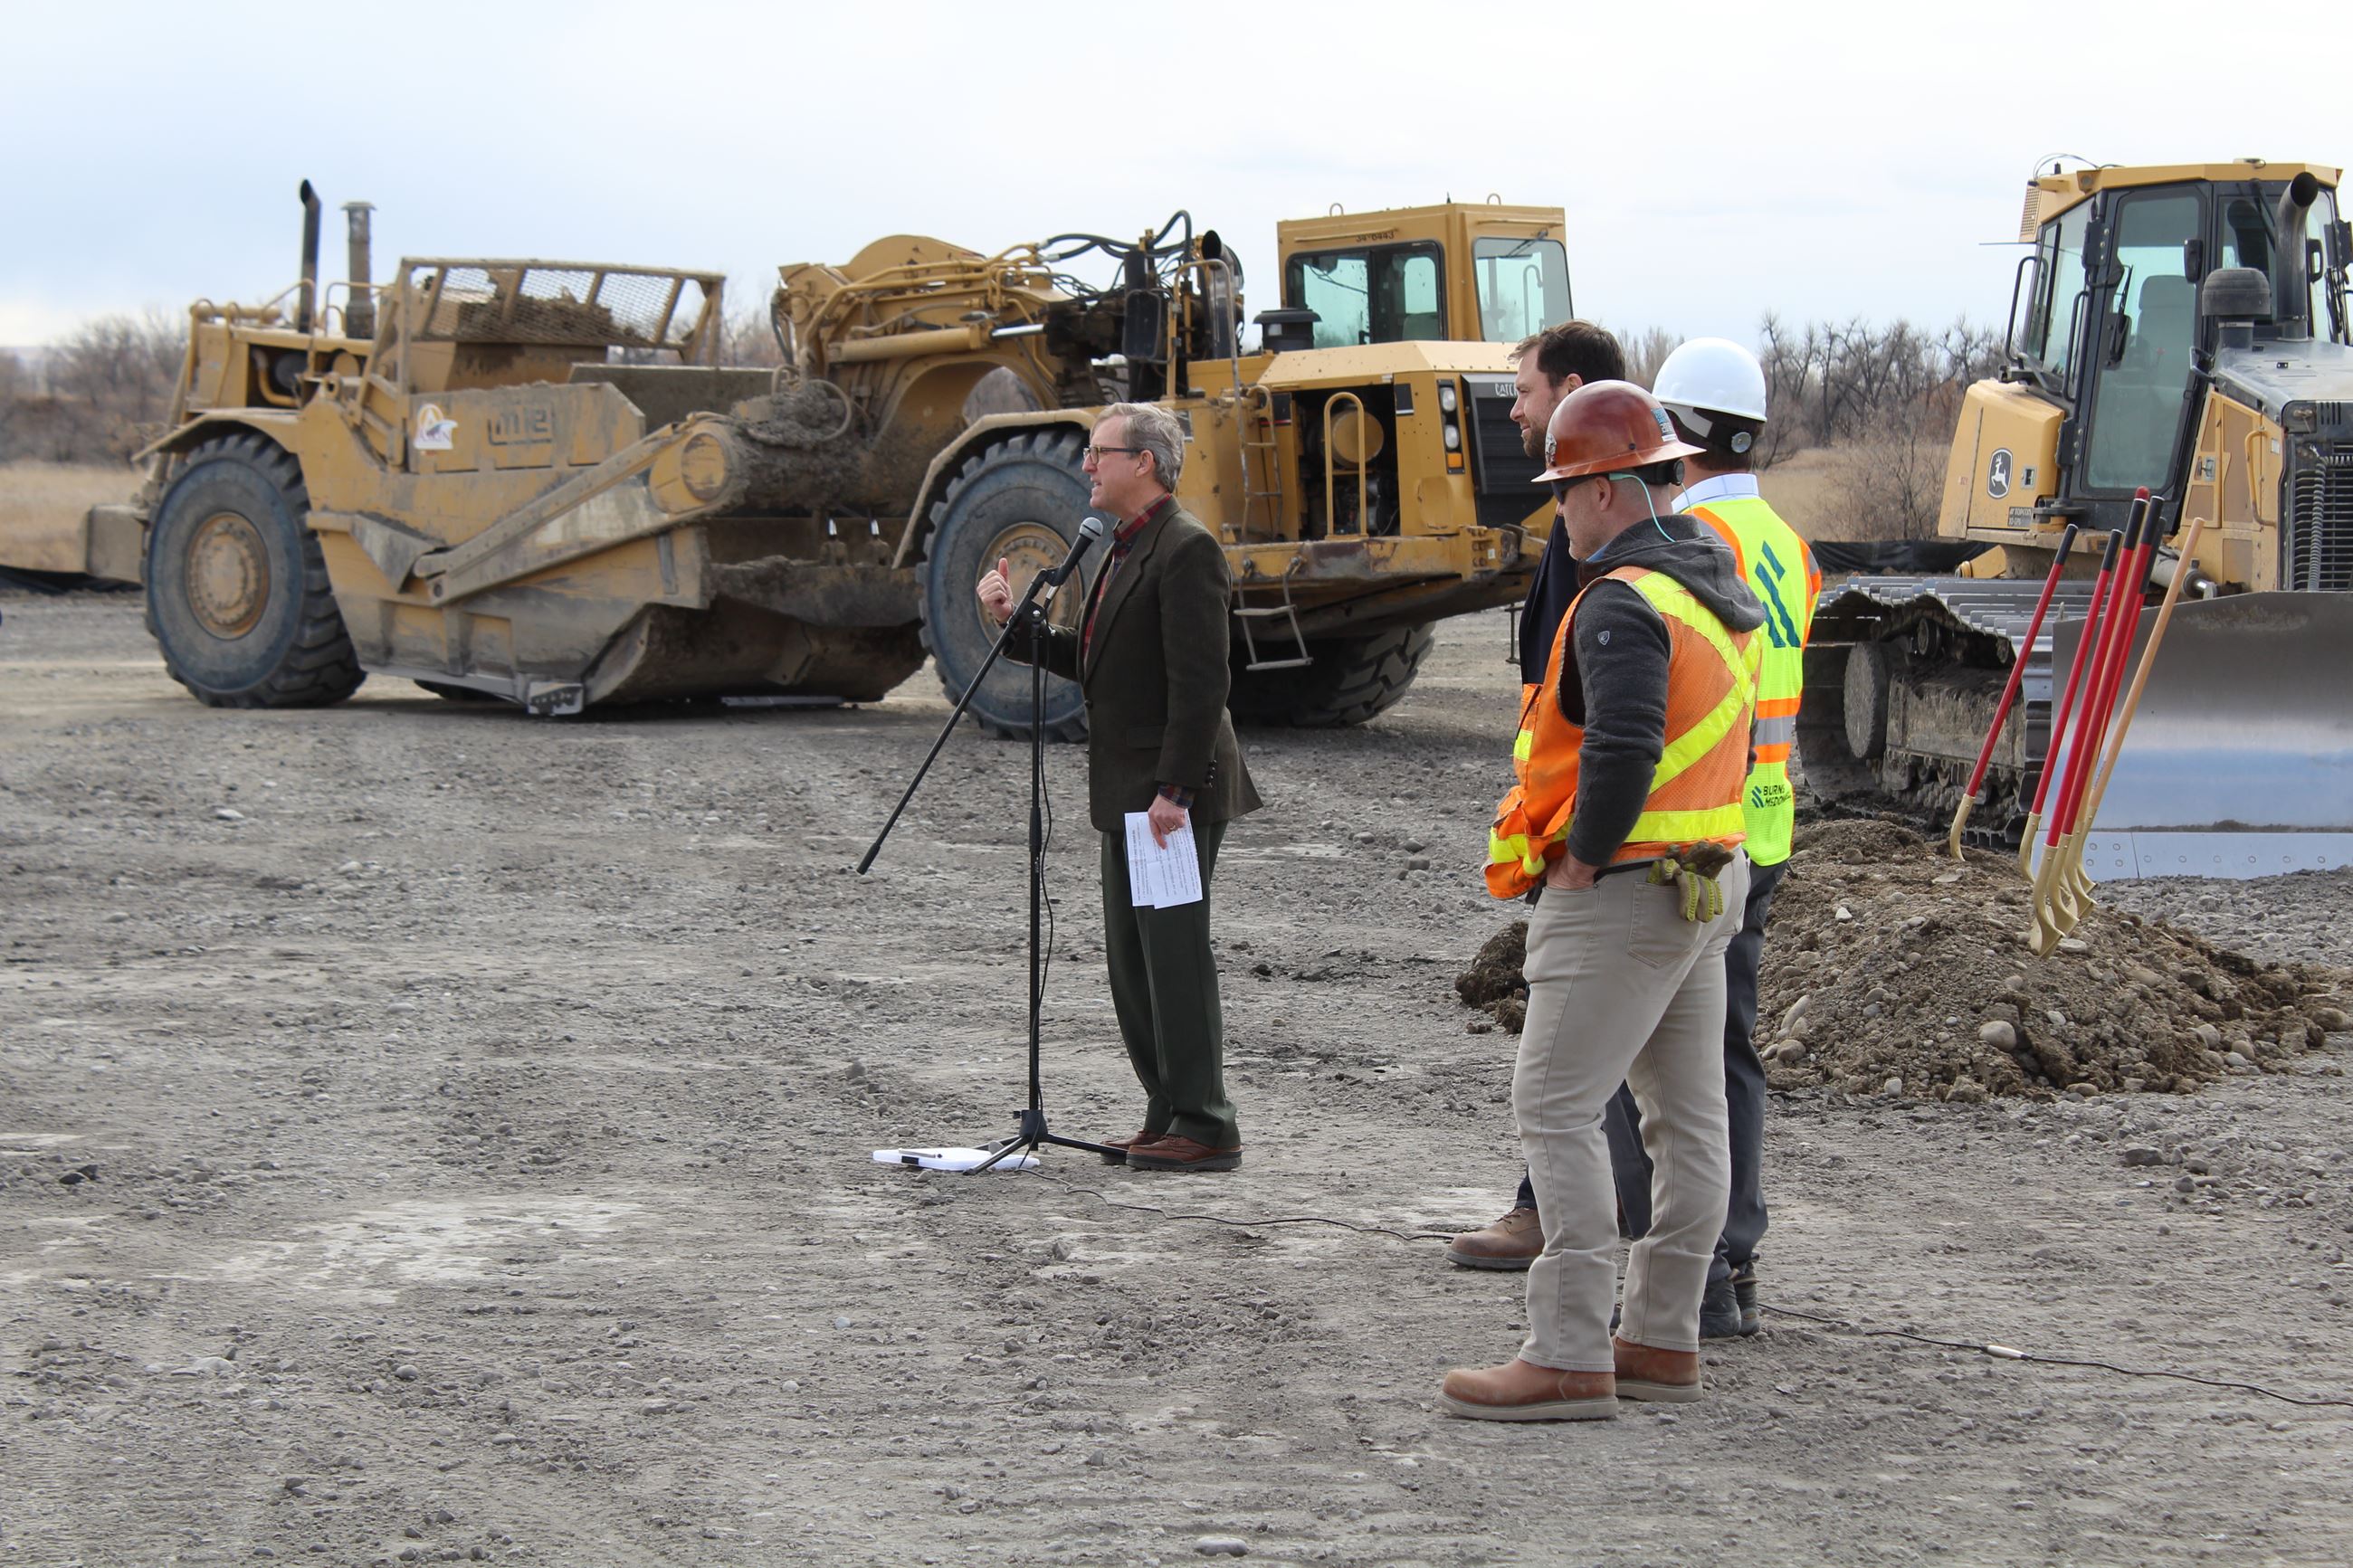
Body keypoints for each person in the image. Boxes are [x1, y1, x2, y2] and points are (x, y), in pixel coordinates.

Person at [1440, 381, 1761, 1421]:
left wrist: (1578, 857)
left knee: (1554, 1105)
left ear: (1610, 490)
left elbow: (1621, 743)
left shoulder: (1622, 599)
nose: (1559, 513)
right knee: (1688, 1119)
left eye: (1564, 491)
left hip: (1624, 889)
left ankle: (1568, 1350)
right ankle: (1659, 1336)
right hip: (1703, 880)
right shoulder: (1711, 585)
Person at [1599, 337, 1822, 1336]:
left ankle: (1682, 1269)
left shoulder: (1684, 544)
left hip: (1687, 832)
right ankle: (1730, 1259)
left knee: (1644, 1061)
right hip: (1760, 827)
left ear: (1678, 430)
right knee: (1722, 1051)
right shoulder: (1788, 545)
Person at [975, 403, 1261, 1173]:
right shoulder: (1120, 545)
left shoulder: (1187, 548)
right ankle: (1166, 1109)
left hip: (1169, 795)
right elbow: (1099, 662)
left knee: (1173, 954)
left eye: (1099, 451)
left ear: (1145, 462)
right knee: (1134, 962)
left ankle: (1207, 1123)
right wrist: (1017, 623)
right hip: (1130, 790)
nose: (1086, 465)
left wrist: (1176, 790)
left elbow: (1202, 683)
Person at [1444, 320, 1628, 1268]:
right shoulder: (1579, 521)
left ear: (1570, 388)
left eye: (1522, 391)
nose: (1512, 409)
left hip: (1605, 842)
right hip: (1587, 824)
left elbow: (1612, 718)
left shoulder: (1608, 535)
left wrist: (1577, 850)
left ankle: (1549, 1218)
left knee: (1570, 1057)